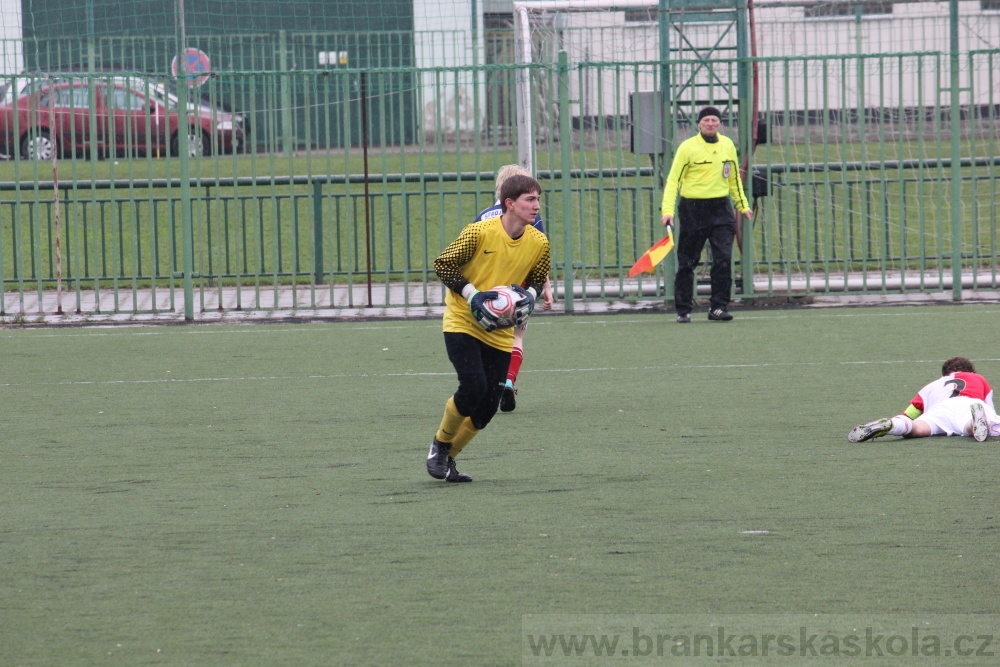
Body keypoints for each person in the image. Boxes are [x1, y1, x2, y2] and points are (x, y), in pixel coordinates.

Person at [426, 174, 551, 482]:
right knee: (473, 387)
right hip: (463, 320)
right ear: (510, 203)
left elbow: (538, 276)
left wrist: (529, 297)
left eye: (538, 199)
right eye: (530, 199)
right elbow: (443, 264)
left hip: (501, 329)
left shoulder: (539, 241)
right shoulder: (479, 232)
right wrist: (474, 296)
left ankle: (449, 460)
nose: (537, 205)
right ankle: (439, 446)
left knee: (489, 405)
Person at [660, 106, 752, 323]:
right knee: (687, 262)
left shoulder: (727, 145)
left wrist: (742, 205)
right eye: (706, 120)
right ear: (699, 124)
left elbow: (733, 178)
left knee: (723, 259)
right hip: (693, 210)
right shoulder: (688, 147)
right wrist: (668, 210)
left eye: (714, 120)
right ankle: (684, 309)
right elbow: (673, 180)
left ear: (720, 123)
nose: (710, 123)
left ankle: (718, 307)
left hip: (721, 209)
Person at [475, 165, 554, 412]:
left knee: (485, 340)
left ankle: (488, 384)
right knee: (516, 337)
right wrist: (547, 287)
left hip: (488, 287)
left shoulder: (484, 215)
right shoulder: (531, 218)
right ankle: (508, 380)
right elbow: (539, 255)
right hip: (520, 288)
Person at [848, 356, 997, 443]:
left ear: (945, 374)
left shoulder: (931, 386)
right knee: (983, 423)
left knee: (917, 428)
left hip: (939, 411)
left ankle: (892, 425)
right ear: (971, 371)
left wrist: (900, 419)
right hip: (969, 404)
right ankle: (974, 423)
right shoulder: (977, 378)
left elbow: (910, 413)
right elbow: (988, 406)